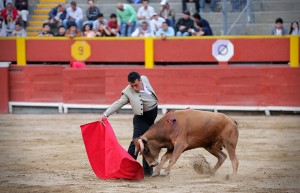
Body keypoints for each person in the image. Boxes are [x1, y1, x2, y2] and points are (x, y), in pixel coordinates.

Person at [99, 72, 158, 177]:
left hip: (151, 117)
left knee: (148, 142)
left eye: (136, 85)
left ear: (140, 80)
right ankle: (126, 168)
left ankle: (148, 172)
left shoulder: (144, 78)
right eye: (132, 86)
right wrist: (105, 114)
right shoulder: (128, 92)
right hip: (141, 119)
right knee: (136, 142)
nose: (134, 88)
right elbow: (118, 103)